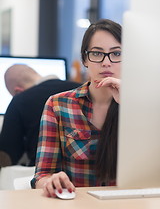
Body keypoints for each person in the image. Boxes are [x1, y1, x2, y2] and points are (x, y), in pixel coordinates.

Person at [31, 19, 121, 197]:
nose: (106, 62)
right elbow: (42, 175)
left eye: (116, 53)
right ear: (85, 59)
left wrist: (130, 105)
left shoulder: (143, 107)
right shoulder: (58, 105)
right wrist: (50, 182)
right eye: (97, 53)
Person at [0, 64, 81, 167]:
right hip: (86, 173)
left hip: (44, 174)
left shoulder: (20, 100)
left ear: (17, 91)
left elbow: (8, 155)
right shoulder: (82, 90)